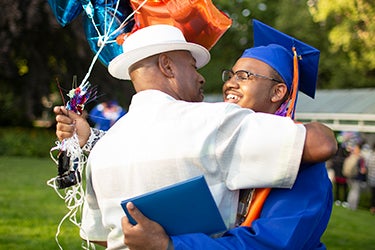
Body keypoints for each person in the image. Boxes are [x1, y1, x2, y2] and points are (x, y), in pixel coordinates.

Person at [54, 24, 337, 249]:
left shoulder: (303, 166)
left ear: (278, 93)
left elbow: (274, 244)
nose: (227, 83)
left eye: (245, 76)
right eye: (232, 74)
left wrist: (171, 245)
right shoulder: (213, 124)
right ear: (167, 66)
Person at [344, 142, 367, 210]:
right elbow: (363, 170)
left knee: (351, 191)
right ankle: (353, 206)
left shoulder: (350, 156)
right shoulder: (360, 158)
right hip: (357, 177)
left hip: (349, 176)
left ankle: (349, 204)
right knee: (355, 192)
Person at [367, 143, 375, 214]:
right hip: (373, 178)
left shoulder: (371, 156)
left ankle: (372, 208)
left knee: (373, 195)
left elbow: (367, 166)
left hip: (371, 178)